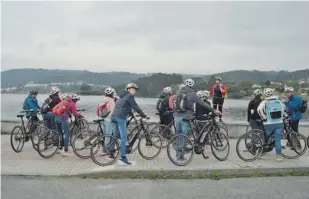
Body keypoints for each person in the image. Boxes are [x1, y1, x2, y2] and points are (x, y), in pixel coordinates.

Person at [174, 79, 221, 161]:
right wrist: (214, 110)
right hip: (186, 117)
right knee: (184, 137)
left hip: (177, 116)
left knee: (178, 136)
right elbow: (202, 103)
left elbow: (175, 104)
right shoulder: (192, 94)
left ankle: (177, 155)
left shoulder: (178, 92)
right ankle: (180, 157)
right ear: (192, 86)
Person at [110, 83, 147, 165]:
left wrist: (130, 113)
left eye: (134, 89)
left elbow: (124, 106)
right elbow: (136, 106)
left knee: (115, 135)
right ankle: (123, 157)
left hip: (114, 116)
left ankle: (110, 150)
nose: (134, 91)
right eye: (132, 89)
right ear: (128, 89)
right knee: (124, 137)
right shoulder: (130, 96)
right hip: (120, 118)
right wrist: (143, 115)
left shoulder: (122, 96)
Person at [257, 88, 285, 162]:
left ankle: (259, 153)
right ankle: (278, 157)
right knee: (278, 140)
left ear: (265, 94)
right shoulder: (279, 101)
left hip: (269, 123)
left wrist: (264, 118)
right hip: (279, 123)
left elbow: (259, 110)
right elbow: (283, 110)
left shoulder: (264, 102)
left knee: (264, 139)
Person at [98, 87, 116, 156]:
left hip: (104, 119)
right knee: (108, 136)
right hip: (109, 120)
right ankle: (106, 151)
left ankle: (105, 149)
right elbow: (113, 112)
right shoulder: (111, 101)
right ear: (112, 93)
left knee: (105, 136)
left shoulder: (103, 100)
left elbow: (99, 110)